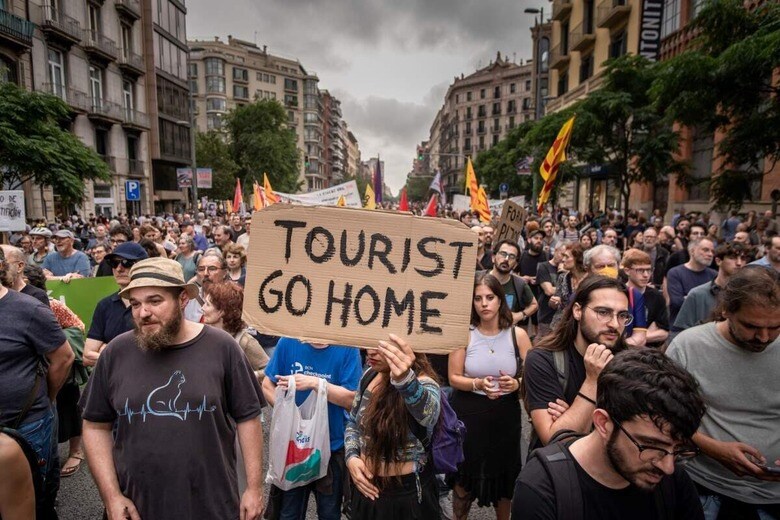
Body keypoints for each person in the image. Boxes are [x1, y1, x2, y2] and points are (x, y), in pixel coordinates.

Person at [80, 257, 266, 520]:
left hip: (213, 504)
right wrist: (111, 496)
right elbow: (95, 425)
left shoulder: (222, 347)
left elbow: (248, 417)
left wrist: (254, 488)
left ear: (182, 299)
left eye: (155, 301)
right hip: (138, 507)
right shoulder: (115, 354)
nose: (143, 312)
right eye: (135, 304)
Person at [512, 349, 707, 519]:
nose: (668, 467)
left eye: (678, 450)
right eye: (651, 446)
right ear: (604, 423)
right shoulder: (543, 487)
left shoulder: (674, 483)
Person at [667, 267, 780, 518]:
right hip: (706, 488)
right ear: (727, 310)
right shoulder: (688, 346)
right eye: (751, 326)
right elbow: (662, 415)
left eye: (775, 327)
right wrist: (711, 448)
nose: (763, 337)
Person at [447, 273, 531, 519]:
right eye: (478, 298)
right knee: (464, 478)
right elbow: (453, 377)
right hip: (469, 414)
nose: (484, 303)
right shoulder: (465, 334)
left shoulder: (518, 336)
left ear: (500, 301)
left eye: (490, 297)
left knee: (504, 480)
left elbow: (534, 377)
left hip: (505, 417)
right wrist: (477, 383)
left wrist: (516, 384)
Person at [0, 247, 75, 518]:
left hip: (27, 424)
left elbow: (64, 358)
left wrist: (46, 398)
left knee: (34, 498)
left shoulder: (28, 308)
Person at [522, 276, 630, 451]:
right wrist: (592, 380)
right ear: (578, 311)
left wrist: (575, 416)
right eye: (603, 312)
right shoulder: (543, 359)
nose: (614, 324)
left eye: (622, 315)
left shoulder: (631, 362)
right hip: (558, 474)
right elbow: (555, 441)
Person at [262, 336, 362, 519]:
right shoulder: (288, 342)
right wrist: (289, 416)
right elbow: (267, 384)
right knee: (289, 513)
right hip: (294, 450)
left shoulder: (347, 347)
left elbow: (352, 400)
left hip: (331, 448)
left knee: (329, 513)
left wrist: (316, 384)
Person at [345, 335, 442, 519]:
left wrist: (405, 380)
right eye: (371, 343)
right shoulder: (369, 375)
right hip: (366, 493)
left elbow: (430, 415)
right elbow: (352, 423)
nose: (371, 351)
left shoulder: (424, 383)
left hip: (406, 499)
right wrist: (352, 458)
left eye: (383, 346)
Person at [82, 242, 149, 368]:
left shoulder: (153, 306)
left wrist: (106, 350)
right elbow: (87, 356)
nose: (119, 268)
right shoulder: (105, 305)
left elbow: (154, 355)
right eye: (114, 263)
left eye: (126, 263)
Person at [672, 242, 751, 336]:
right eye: (732, 258)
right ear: (718, 261)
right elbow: (679, 332)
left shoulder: (749, 295)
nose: (739, 263)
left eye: (743, 259)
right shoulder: (698, 294)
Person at [202, 282, 268, 381]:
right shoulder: (203, 335)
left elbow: (269, 370)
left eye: (207, 304)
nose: (202, 308)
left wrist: (249, 376)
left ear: (221, 311)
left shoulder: (245, 342)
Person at [620, 249, 669, 348]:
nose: (646, 275)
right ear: (627, 270)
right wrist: (649, 333)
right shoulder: (619, 293)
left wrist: (635, 337)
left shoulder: (656, 296)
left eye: (649, 270)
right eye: (640, 270)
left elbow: (664, 333)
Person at [666, 238, 717, 324]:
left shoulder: (714, 275)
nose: (710, 254)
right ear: (692, 251)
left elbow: (717, 304)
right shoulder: (675, 273)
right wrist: (705, 301)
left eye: (712, 251)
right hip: (681, 325)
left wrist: (689, 297)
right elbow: (677, 303)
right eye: (705, 250)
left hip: (707, 325)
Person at [489, 239, 538, 326]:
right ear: (493, 257)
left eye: (512, 256)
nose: (506, 259)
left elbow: (534, 305)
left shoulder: (519, 284)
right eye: (503, 254)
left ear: (515, 264)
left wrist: (520, 315)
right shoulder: (478, 279)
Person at [549, 243, 587, 328]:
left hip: (581, 326)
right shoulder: (563, 277)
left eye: (566, 256)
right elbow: (555, 303)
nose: (563, 260)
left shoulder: (590, 280)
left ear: (578, 259)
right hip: (561, 325)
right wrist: (553, 302)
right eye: (563, 256)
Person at [184, 251, 228, 322]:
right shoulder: (189, 297)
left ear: (224, 273)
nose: (205, 273)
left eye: (212, 269)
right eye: (201, 269)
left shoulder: (232, 300)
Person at [536, 242, 564, 339]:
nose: (563, 259)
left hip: (563, 317)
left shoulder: (568, 270)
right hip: (547, 316)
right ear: (555, 251)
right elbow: (549, 291)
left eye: (566, 256)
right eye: (562, 254)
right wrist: (566, 289)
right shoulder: (544, 267)